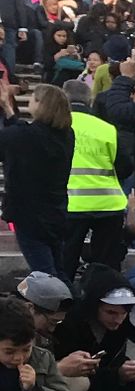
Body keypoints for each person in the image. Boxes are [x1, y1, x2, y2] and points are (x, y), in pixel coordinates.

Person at [57, 79, 128, 284]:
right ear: (90, 100)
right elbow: (125, 166)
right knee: (106, 267)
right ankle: (103, 305)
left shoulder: (58, 126)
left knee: (64, 263)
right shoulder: (106, 128)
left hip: (71, 204)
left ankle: (64, 311)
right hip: (108, 204)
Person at [0, 81, 72, 277]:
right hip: (55, 211)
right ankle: (71, 303)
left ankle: (62, 306)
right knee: (57, 268)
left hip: (29, 214)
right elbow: (24, 134)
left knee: (44, 274)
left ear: (41, 105)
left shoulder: (24, 136)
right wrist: (8, 109)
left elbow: (14, 138)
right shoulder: (66, 135)